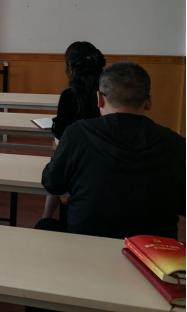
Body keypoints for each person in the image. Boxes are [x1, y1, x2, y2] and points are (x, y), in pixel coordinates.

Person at [38, 61, 186, 239]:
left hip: (86, 244)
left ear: (99, 99)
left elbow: (52, 183)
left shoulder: (76, 134)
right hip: (153, 251)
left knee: (45, 225)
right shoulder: (178, 145)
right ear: (149, 102)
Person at [41, 41, 105, 220]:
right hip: (107, 157)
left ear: (70, 67)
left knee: (58, 163)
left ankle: (46, 217)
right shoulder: (109, 92)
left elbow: (61, 137)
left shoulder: (70, 94)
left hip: (76, 160)